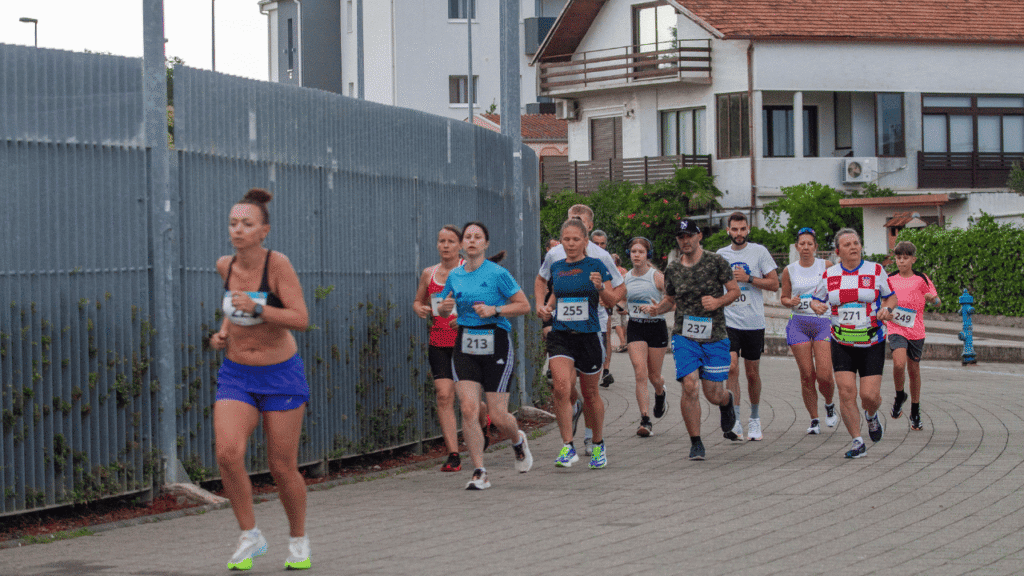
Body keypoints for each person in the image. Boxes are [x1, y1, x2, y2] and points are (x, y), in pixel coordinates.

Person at [209, 188, 312, 570]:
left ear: (263, 230)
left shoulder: (277, 265)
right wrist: (221, 333)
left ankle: (298, 539)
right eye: (233, 223)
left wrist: (259, 307)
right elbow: (232, 307)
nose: (238, 230)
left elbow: (300, 318)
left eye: (247, 224)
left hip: (281, 375)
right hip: (236, 374)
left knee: (282, 465)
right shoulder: (225, 265)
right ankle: (250, 535)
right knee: (227, 452)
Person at [438, 222, 533, 489]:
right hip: (466, 344)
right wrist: (445, 309)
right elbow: (443, 310)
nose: (471, 241)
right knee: (468, 409)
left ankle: (517, 441)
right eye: (467, 237)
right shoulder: (455, 276)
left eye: (477, 237)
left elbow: (524, 305)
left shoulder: (498, 274)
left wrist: (495, 310)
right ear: (461, 244)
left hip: (496, 343)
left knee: (499, 415)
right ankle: (479, 470)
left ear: (485, 244)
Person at [534, 205, 625, 455]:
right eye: (567, 238)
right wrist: (544, 307)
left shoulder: (599, 260)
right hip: (561, 333)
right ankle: (567, 446)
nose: (571, 243)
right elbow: (550, 287)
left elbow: (615, 295)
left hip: (590, 332)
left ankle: (595, 441)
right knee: (561, 387)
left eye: (577, 237)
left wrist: (600, 289)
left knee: (591, 393)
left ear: (587, 235)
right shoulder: (555, 260)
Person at [647, 219, 740, 461]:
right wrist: (659, 309)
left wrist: (718, 302)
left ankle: (726, 401)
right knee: (690, 385)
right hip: (684, 335)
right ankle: (696, 442)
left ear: (699, 236)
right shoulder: (673, 269)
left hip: (714, 335)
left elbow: (734, 291)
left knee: (712, 393)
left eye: (689, 236)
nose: (685, 241)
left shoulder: (716, 262)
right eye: (681, 237)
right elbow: (670, 299)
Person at [810, 228, 897, 458]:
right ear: (838, 252)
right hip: (842, 342)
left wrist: (887, 308)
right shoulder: (830, 275)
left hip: (871, 341)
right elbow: (817, 300)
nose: (854, 247)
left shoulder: (876, 270)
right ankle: (857, 442)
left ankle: (871, 415)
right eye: (847, 244)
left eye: (856, 243)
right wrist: (816, 306)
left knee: (869, 396)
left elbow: (891, 296)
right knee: (846, 392)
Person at [413, 225, 486, 473]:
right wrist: (420, 309)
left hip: (466, 342)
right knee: (444, 395)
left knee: (469, 402)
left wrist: (466, 317)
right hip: (439, 342)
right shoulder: (428, 274)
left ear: (461, 246)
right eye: (441, 241)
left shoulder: (471, 272)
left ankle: (483, 416)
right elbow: (418, 301)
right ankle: (453, 454)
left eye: (451, 241)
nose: (445, 246)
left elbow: (484, 304)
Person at [716, 212, 779, 441]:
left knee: (752, 373)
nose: (739, 234)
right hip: (729, 320)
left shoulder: (759, 252)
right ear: (728, 231)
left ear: (748, 229)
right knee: (732, 367)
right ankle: (735, 420)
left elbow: (774, 283)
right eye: (734, 229)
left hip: (753, 322)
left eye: (742, 229)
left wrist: (749, 278)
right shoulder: (720, 255)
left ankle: (754, 419)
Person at [779, 227, 837, 435]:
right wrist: (790, 301)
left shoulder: (827, 266)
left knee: (824, 375)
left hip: (822, 323)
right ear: (797, 247)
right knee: (806, 375)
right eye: (802, 244)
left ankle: (829, 403)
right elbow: (783, 298)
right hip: (799, 324)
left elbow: (837, 291)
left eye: (809, 244)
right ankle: (814, 419)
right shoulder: (789, 270)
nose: (805, 248)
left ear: (815, 247)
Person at [885, 241, 940, 431]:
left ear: (913, 259)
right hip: (896, 327)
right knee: (899, 363)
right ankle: (900, 395)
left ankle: (915, 411)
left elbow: (937, 301)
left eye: (905, 258)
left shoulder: (921, 278)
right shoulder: (889, 278)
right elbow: (882, 300)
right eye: (898, 258)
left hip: (916, 329)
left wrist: (933, 300)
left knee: (913, 370)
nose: (901, 262)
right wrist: (885, 311)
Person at [624, 237, 669, 437]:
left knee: (654, 376)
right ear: (629, 254)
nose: (636, 255)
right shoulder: (625, 278)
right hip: (635, 327)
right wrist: (621, 307)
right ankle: (645, 419)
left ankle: (661, 393)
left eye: (641, 252)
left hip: (656, 327)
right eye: (633, 251)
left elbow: (673, 302)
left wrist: (657, 308)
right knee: (640, 372)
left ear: (647, 255)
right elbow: (621, 300)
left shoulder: (657, 276)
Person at [590, 229, 616, 387]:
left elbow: (616, 282)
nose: (599, 246)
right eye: (596, 243)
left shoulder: (607, 258)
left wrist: (606, 296)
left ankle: (606, 370)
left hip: (603, 302)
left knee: (606, 334)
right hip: (586, 302)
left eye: (602, 243)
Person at [610, 253, 629, 353]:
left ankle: (622, 343)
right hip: (624, 299)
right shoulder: (624, 271)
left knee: (616, 322)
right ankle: (623, 342)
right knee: (622, 322)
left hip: (615, 298)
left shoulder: (611, 271)